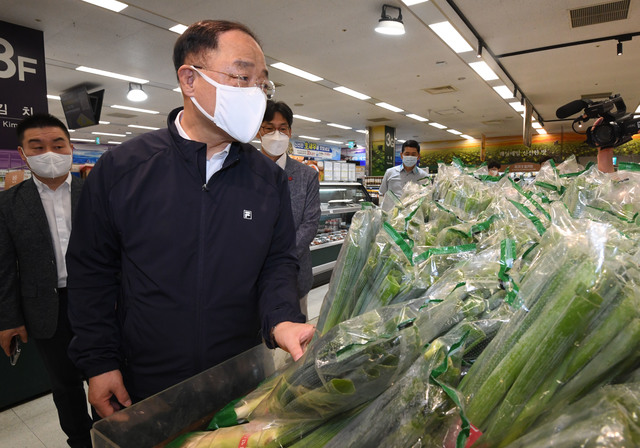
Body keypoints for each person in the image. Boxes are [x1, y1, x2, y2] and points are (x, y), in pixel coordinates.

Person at [65, 20, 316, 418]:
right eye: (242, 77)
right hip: (142, 380)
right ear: (189, 79)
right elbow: (91, 272)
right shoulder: (124, 169)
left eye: (263, 84)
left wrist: (282, 319)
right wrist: (98, 362)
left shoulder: (267, 179)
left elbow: (278, 261)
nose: (256, 94)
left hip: (237, 375)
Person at [0, 114, 93, 448]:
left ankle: (112, 435)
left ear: (71, 147)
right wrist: (9, 320)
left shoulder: (96, 192)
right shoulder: (9, 203)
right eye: (37, 147)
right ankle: (80, 441)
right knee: (65, 384)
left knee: (107, 373)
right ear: (23, 154)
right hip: (44, 308)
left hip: (99, 303)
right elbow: (4, 267)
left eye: (57, 145)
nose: (49, 153)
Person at [257, 100, 321, 319]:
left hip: (295, 275)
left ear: (290, 132)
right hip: (250, 274)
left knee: (294, 343)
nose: (276, 134)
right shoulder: (242, 171)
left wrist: (280, 257)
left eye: (282, 128)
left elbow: (310, 224)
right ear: (259, 131)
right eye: (269, 128)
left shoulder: (307, 175)